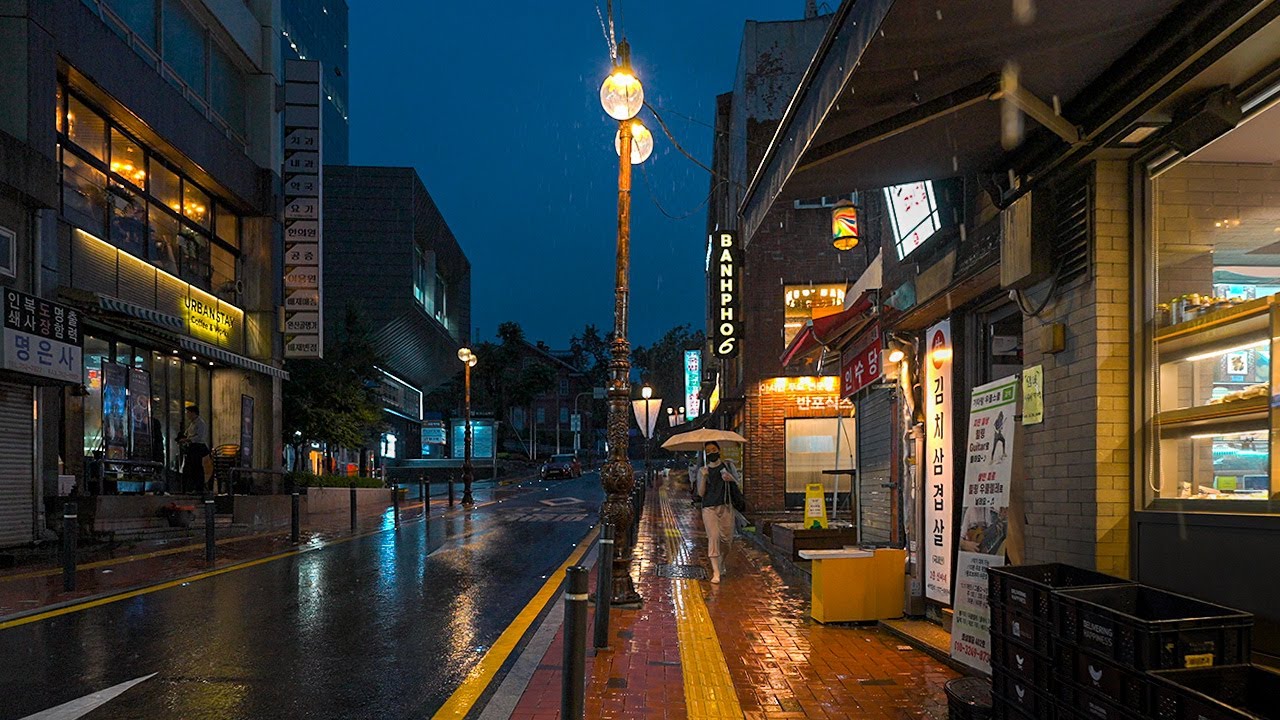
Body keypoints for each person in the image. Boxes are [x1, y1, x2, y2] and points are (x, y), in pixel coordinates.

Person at [694, 441, 740, 584]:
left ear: (719, 450)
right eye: (708, 451)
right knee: (713, 538)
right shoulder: (703, 470)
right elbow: (701, 494)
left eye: (714, 450)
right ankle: (716, 572)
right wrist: (704, 477)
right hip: (709, 508)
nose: (711, 453)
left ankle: (721, 562)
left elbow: (738, 483)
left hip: (726, 506)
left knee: (727, 540)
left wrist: (730, 478)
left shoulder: (728, 466)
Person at [177, 404, 210, 493]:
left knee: (197, 467)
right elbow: (187, 433)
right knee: (190, 467)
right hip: (191, 447)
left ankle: (198, 487)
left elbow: (199, 437)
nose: (187, 415)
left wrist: (187, 439)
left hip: (197, 447)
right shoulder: (192, 423)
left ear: (193, 413)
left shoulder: (200, 423)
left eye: (188, 412)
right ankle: (191, 487)